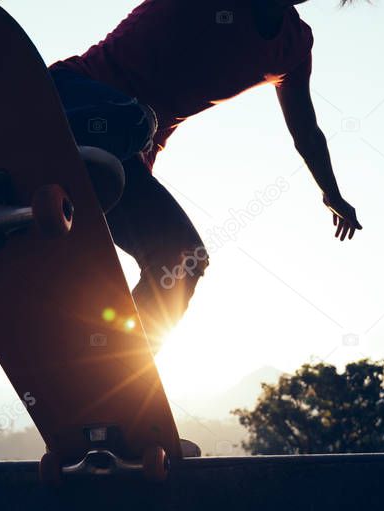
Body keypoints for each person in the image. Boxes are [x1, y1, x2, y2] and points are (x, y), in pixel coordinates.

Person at [50, 0, 361, 352]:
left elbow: (306, 130)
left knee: (182, 258)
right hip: (68, 99)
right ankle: (51, 155)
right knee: (136, 121)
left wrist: (331, 194)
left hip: (120, 161)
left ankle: (111, 360)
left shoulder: (293, 46)